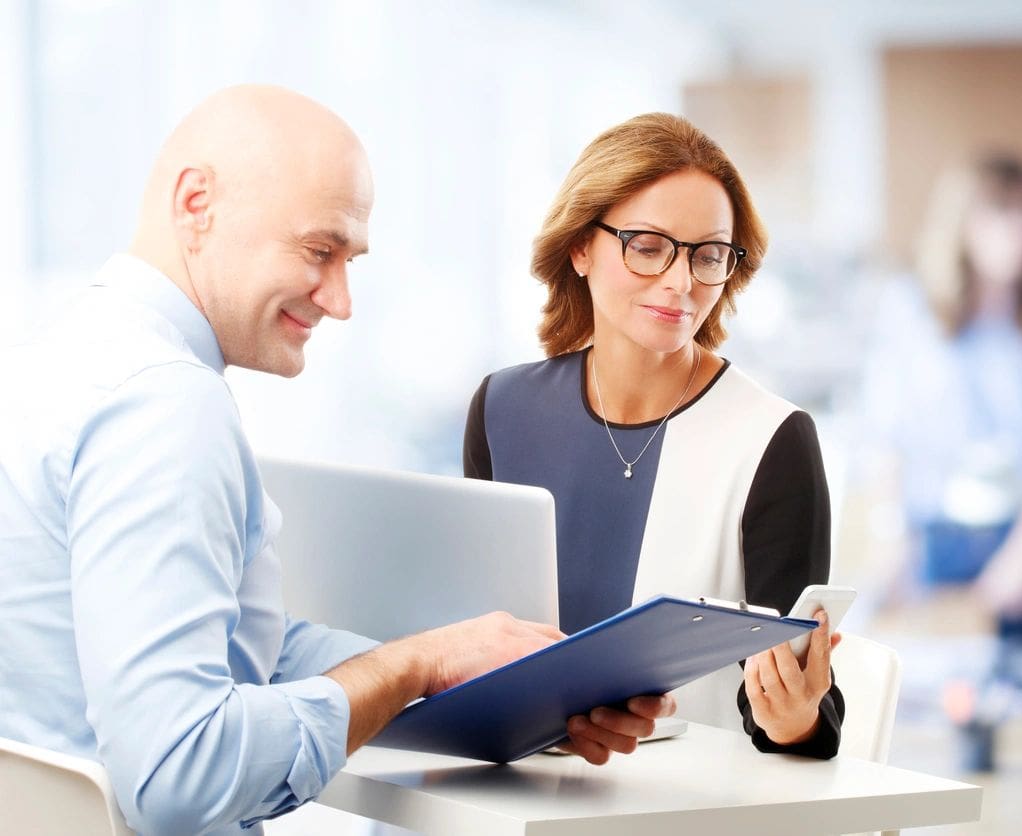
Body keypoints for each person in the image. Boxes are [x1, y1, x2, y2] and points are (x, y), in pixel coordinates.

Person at [0, 85, 672, 836]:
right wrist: (408, 667)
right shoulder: (166, 405)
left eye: (350, 260)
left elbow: (230, 647)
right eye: (319, 250)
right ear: (197, 205)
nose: (342, 300)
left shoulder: (51, 364)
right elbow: (179, 772)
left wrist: (460, 675)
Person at [464, 113, 844, 758]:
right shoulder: (502, 409)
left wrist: (792, 719)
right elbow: (472, 640)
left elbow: (802, 708)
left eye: (709, 254)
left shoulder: (773, 440)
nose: (681, 281)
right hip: (513, 790)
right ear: (581, 247)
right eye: (647, 245)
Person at [859, 153, 1022, 644]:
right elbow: (884, 436)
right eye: (1000, 214)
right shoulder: (910, 312)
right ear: (962, 225)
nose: (1018, 232)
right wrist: (890, 540)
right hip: (933, 540)